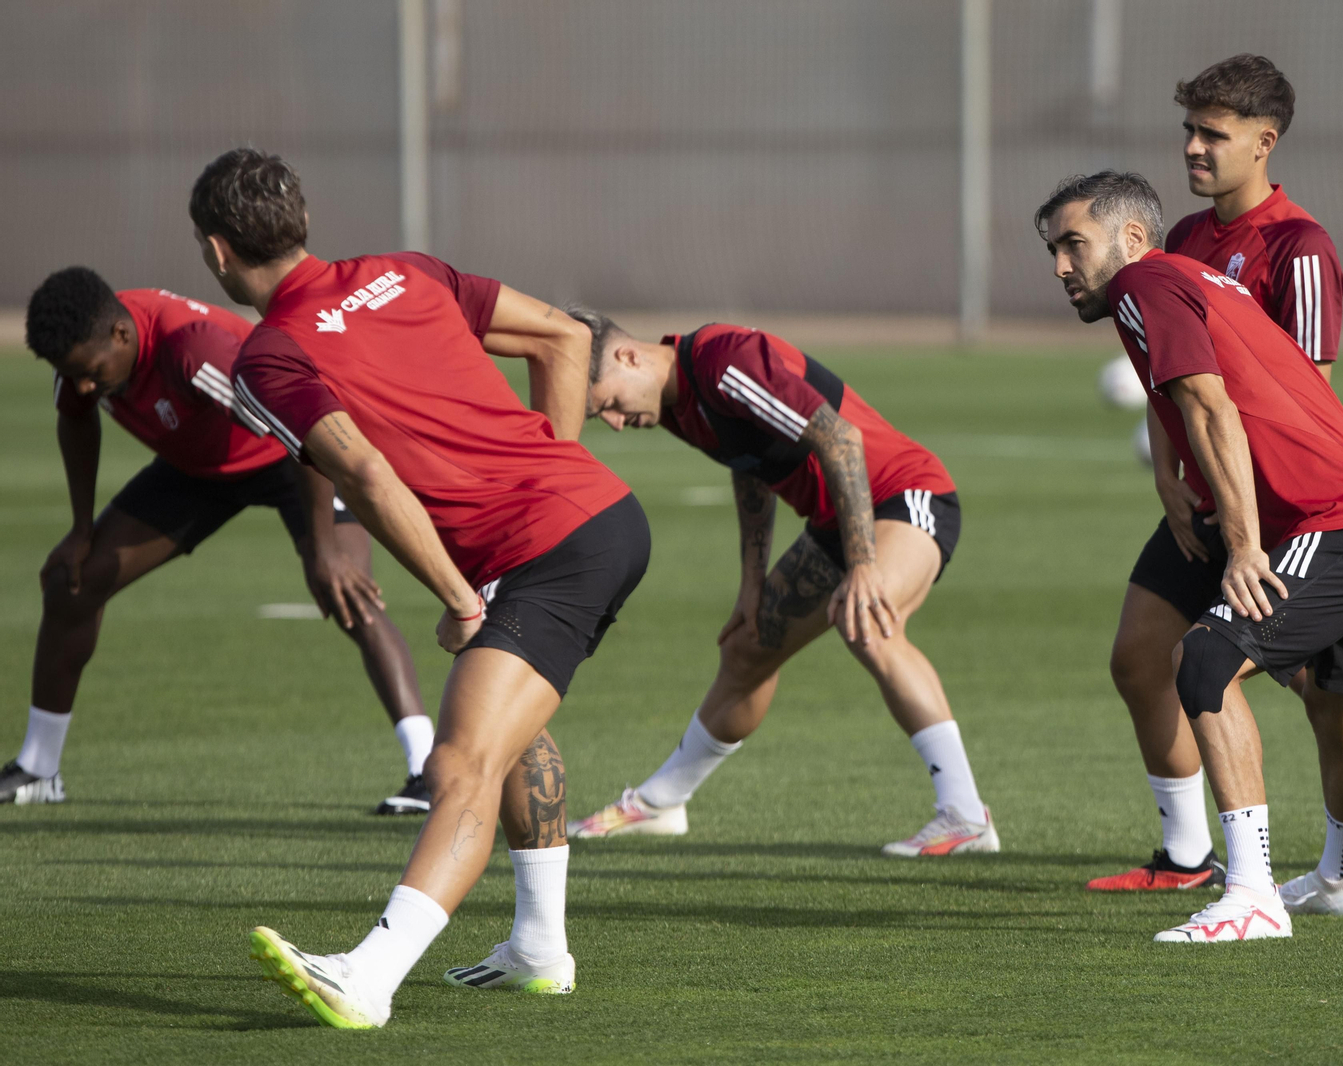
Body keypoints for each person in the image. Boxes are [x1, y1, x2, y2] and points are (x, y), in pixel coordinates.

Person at [189, 147, 650, 1027]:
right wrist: (554, 471)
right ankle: (540, 950)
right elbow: (565, 336)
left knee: (460, 761)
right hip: (597, 517)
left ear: (217, 252)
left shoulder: (269, 357)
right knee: (507, 739)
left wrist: (461, 596)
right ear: (304, 221)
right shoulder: (403, 271)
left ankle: (370, 976)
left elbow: (363, 472)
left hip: (552, 547)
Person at [1039, 170, 1343, 942]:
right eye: (1052, 250)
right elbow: (1183, 400)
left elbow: (1209, 404)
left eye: (1073, 245)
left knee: (1206, 662)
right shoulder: (1179, 276)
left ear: (1132, 239)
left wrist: (1244, 546)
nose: (1060, 267)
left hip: (1333, 519)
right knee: (1339, 703)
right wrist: (1172, 480)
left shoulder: (1146, 282)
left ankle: (1250, 894)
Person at [1092, 55, 1343, 908]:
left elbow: (1309, 403)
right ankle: (1190, 852)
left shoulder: (1298, 248)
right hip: (1203, 502)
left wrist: (1249, 531)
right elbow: (1172, 384)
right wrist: (1167, 480)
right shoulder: (1186, 241)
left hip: (1279, 506)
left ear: (1264, 144)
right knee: (1139, 658)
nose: (1192, 148)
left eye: (1213, 134)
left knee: (1314, 686)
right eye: (1188, 129)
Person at [566, 313, 997, 857]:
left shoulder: (723, 362)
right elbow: (750, 464)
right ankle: (660, 803)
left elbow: (841, 439)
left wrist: (862, 564)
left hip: (906, 494)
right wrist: (752, 584)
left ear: (628, 358)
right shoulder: (678, 404)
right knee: (748, 648)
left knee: (867, 621)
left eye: (605, 403)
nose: (614, 422)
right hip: (839, 521)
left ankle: (964, 815)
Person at [5, 268, 433, 815]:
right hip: (198, 467)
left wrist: (323, 547)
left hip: (295, 455)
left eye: (90, 373)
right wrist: (81, 530)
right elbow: (78, 420)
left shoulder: (195, 353)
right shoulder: (82, 355)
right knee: (73, 584)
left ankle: (427, 770)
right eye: (72, 376)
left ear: (120, 336)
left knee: (346, 590)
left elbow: (299, 427)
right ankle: (40, 768)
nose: (84, 385)